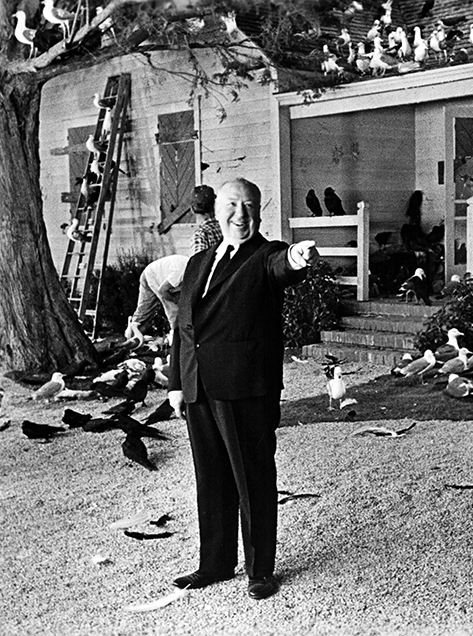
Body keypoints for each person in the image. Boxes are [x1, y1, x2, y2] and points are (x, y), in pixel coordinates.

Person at [167, 178, 319, 601]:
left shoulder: (265, 255)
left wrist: (297, 257)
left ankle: (260, 570)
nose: (241, 214)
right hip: (199, 386)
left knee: (253, 479)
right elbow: (184, 327)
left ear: (259, 212)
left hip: (246, 388)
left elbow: (283, 265)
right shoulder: (198, 262)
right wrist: (176, 384)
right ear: (217, 210)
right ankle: (215, 563)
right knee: (211, 479)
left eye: (250, 206)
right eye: (233, 205)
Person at [125, 254, 189, 345]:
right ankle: (132, 341)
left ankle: (178, 338)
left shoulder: (193, 270)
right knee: (148, 311)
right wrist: (175, 301)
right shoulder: (180, 272)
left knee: (178, 308)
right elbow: (163, 291)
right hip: (152, 276)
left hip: (161, 276)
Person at [190, 184, 223, 254]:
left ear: (192, 209)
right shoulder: (224, 227)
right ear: (214, 206)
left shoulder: (201, 234)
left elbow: (199, 260)